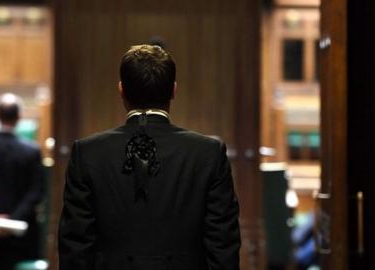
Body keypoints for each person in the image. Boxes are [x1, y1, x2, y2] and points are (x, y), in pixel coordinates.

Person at [58, 45, 240, 270]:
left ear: (121, 90)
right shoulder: (209, 152)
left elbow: (75, 247)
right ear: (174, 90)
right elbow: (222, 245)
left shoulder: (87, 152)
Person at [0, 93, 44, 270]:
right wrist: (13, 219)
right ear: (19, 117)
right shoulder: (32, 150)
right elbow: (36, 192)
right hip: (22, 233)